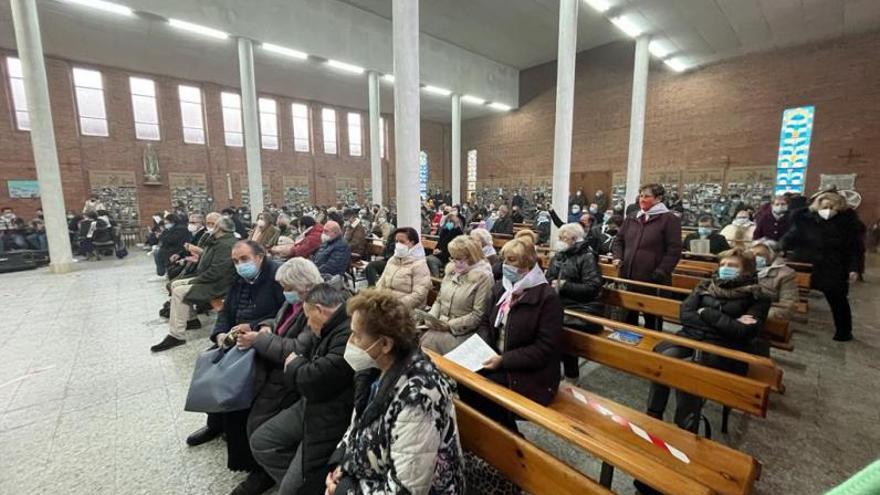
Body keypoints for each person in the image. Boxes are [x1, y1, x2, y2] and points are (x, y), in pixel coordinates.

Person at [324, 290, 465, 494]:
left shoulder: (418, 398)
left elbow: (407, 489)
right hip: (372, 475)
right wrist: (342, 465)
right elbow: (356, 428)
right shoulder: (375, 371)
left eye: (356, 335)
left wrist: (346, 490)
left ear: (385, 344)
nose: (350, 342)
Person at [183, 240, 284, 490]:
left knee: (237, 380)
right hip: (235, 337)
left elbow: (284, 313)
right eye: (236, 261)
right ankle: (214, 423)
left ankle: (252, 464)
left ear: (260, 256)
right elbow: (226, 312)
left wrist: (255, 327)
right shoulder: (239, 279)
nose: (240, 265)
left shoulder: (276, 276)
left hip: (262, 340)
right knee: (210, 362)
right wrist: (219, 334)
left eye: (244, 259)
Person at [645, 248, 770, 432]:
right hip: (691, 338)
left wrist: (706, 313)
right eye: (723, 264)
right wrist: (725, 322)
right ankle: (654, 414)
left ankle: (685, 426)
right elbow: (685, 314)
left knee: (689, 372)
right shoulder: (705, 286)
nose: (725, 268)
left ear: (747, 271)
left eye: (733, 265)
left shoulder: (758, 297)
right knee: (663, 360)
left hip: (725, 349)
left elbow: (743, 331)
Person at [250, 285, 354, 495]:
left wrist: (296, 365)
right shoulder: (325, 328)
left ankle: (299, 486)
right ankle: (302, 485)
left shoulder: (347, 331)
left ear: (319, 310)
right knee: (262, 441)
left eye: (308, 316)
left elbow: (313, 377)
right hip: (311, 401)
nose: (307, 322)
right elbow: (300, 355)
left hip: (330, 412)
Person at [467, 237, 563, 432]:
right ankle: (487, 438)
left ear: (527, 264)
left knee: (485, 390)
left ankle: (510, 443)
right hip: (497, 359)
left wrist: (503, 360)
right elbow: (486, 321)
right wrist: (482, 349)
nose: (505, 266)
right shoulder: (502, 288)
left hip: (531, 373)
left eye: (512, 261)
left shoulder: (546, 298)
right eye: (504, 260)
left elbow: (544, 348)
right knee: (465, 382)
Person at [781, 190, 865, 341]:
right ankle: (782, 326)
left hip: (833, 266)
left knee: (837, 299)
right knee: (790, 293)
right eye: (825, 206)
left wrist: (854, 268)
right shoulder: (805, 220)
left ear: (839, 208)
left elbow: (856, 249)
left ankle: (844, 331)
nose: (828, 210)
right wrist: (777, 248)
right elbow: (790, 237)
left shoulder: (848, 224)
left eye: (832, 207)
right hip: (804, 263)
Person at [150, 216, 237, 352]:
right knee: (175, 285)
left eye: (213, 225)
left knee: (179, 291)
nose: (210, 227)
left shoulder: (226, 244)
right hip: (209, 279)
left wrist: (195, 280)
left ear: (220, 228)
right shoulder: (217, 240)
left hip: (218, 285)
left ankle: (176, 335)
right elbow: (207, 261)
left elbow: (217, 271)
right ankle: (191, 320)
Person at [612, 184, 682, 330]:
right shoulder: (633, 217)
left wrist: (661, 271)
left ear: (658, 198)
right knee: (628, 314)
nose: (642, 199)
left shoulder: (669, 219)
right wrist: (618, 256)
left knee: (652, 317)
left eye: (647, 196)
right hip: (628, 275)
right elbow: (619, 240)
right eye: (641, 196)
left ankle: (651, 347)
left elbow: (674, 250)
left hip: (653, 278)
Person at [546, 223, 603, 382]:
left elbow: (593, 287)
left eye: (563, 237)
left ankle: (572, 376)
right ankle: (551, 371)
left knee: (560, 330)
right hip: (560, 304)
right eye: (560, 237)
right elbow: (549, 277)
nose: (560, 240)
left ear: (575, 239)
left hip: (582, 307)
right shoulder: (559, 255)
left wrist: (565, 285)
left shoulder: (587, 256)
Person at [421, 236, 494, 354]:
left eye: (460, 259)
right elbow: (439, 300)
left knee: (427, 344)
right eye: (453, 258)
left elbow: (478, 315)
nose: (455, 263)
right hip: (441, 326)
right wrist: (432, 318)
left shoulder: (483, 277)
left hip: (465, 332)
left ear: (472, 257)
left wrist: (449, 325)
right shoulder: (452, 271)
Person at [376, 227, 432, 310]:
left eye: (402, 242)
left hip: (406, 309)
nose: (398, 245)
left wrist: (396, 306)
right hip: (387, 304)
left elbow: (419, 295)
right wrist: (377, 298)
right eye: (397, 241)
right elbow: (381, 282)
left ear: (412, 243)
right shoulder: (393, 260)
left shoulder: (419, 264)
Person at [750, 241, 798, 322]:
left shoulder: (786, 274)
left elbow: (788, 305)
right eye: (752, 254)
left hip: (764, 314)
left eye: (759, 255)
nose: (754, 257)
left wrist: (759, 314)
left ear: (772, 256)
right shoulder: (746, 269)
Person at [153, 213, 191, 279]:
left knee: (159, 252)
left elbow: (169, 240)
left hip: (178, 248)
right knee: (157, 250)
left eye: (167, 223)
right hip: (173, 247)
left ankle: (162, 272)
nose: (166, 225)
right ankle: (162, 272)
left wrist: (162, 236)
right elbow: (165, 239)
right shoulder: (171, 229)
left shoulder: (180, 229)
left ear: (173, 221)